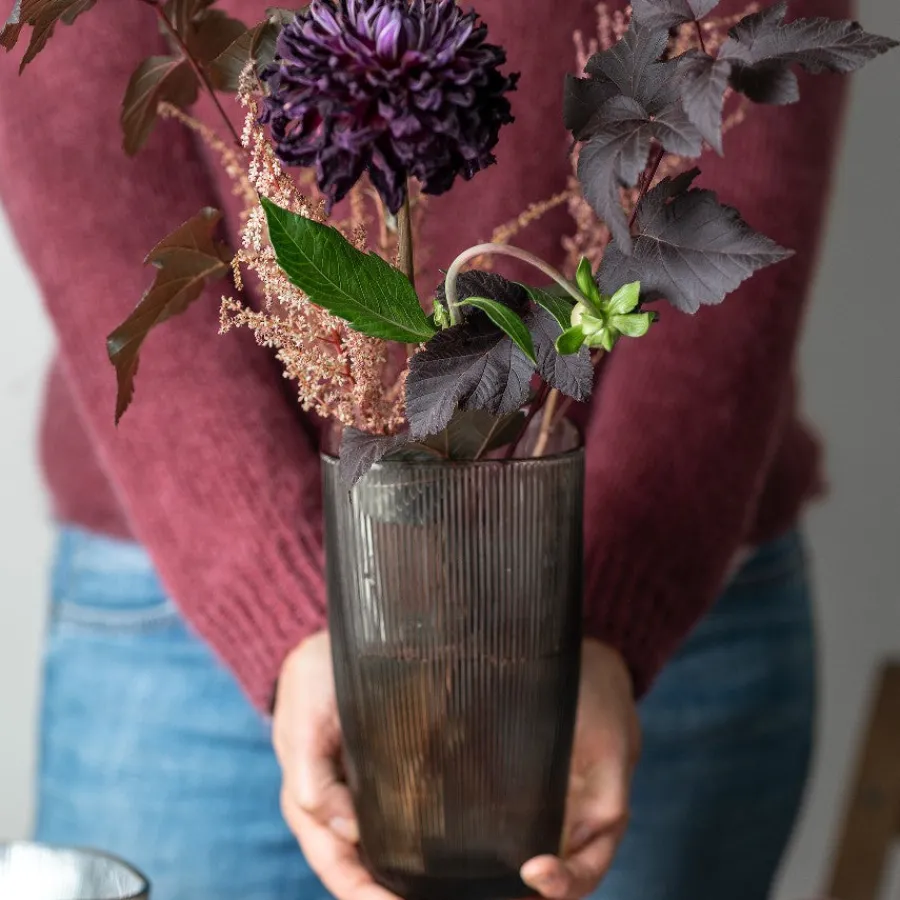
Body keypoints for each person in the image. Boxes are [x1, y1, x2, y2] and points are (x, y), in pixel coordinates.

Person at [0, 0, 852, 898]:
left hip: (653, 615)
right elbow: (73, 131)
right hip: (189, 618)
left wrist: (600, 616)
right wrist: (279, 590)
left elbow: (747, 114)